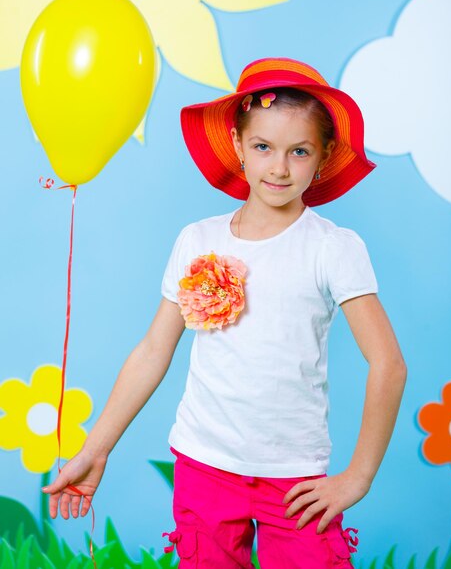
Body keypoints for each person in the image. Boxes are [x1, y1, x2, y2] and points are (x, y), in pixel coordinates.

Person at [42, 57, 407, 568]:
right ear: (238, 145)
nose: (279, 168)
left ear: (322, 157)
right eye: (263, 147)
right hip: (204, 466)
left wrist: (359, 475)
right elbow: (152, 351)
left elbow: (388, 364)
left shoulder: (332, 248)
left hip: (294, 475)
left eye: (298, 151)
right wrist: (94, 449)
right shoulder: (198, 239)